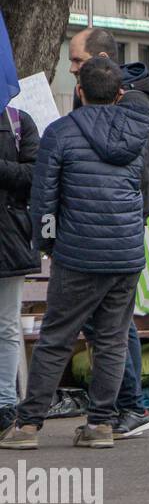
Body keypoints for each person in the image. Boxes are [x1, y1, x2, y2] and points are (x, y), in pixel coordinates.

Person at [0, 59, 149, 450]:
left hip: (79, 252)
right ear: (119, 93)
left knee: (56, 338)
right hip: (126, 253)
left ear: (78, 91)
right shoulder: (139, 131)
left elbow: (43, 197)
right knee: (113, 339)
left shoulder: (61, 132)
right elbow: (146, 194)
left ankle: (28, 425)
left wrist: (49, 245)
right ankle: (101, 424)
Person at [67, 26, 149, 439]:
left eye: (77, 61)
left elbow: (133, 179)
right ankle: (121, 407)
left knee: (110, 324)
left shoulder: (126, 110)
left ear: (99, 61)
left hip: (116, 228)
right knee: (113, 321)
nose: (72, 69)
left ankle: (125, 407)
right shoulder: (135, 105)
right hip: (122, 227)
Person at [0, 102, 41, 433]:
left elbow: (34, 175)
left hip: (8, 238)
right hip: (10, 238)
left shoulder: (18, 122)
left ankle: (4, 404)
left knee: (6, 325)